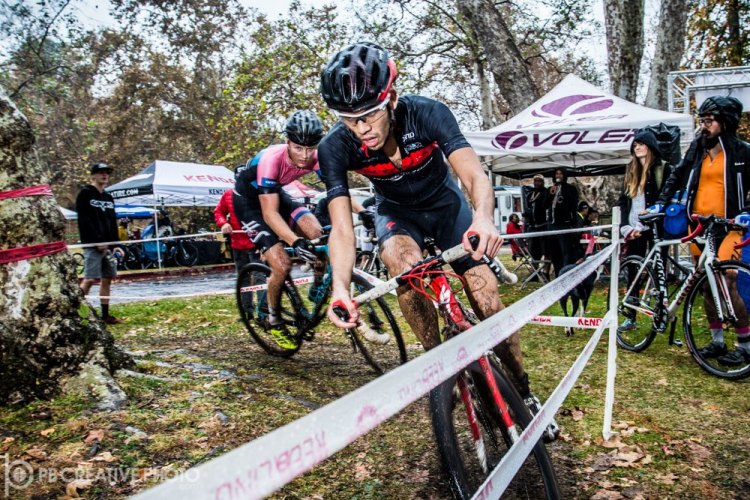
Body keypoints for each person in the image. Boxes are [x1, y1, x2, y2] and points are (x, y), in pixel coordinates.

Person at [318, 41, 557, 440]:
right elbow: (341, 228)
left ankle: (523, 389)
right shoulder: (335, 147)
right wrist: (341, 287)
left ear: (390, 98)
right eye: (348, 119)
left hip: (447, 207)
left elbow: (473, 174)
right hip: (397, 214)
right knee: (399, 261)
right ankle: (437, 365)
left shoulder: (427, 113)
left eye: (369, 115)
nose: (361, 129)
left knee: (486, 298)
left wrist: (483, 218)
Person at [656, 95, 750, 365]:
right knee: (707, 284)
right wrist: (661, 203)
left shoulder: (742, 151)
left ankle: (745, 343)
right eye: (703, 120)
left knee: (728, 280)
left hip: (728, 226)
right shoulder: (698, 148)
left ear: (725, 122)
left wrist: (746, 212)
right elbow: (678, 174)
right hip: (698, 225)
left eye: (709, 121)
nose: (704, 126)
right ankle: (717, 341)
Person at [234, 110, 326, 347]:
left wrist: (362, 211)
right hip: (249, 202)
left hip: (278, 195)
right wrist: (295, 241)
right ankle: (273, 319)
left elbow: (338, 190)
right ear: (287, 142)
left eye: (310, 148)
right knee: (282, 263)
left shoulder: (317, 156)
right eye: (298, 148)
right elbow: (269, 213)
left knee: (319, 235)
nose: (305, 156)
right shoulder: (271, 159)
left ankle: (317, 285)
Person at [76, 162, 122, 325]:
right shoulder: (86, 194)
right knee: (89, 278)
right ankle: (74, 311)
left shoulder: (108, 197)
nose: (104, 175)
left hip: (108, 245)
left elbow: (111, 220)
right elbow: (85, 220)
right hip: (92, 244)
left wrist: (115, 243)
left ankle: (105, 315)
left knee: (107, 277)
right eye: (101, 172)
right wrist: (97, 241)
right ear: (93, 175)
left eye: (107, 173)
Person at [618, 129, 666, 259]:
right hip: (632, 227)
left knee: (658, 263)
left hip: (654, 225)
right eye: (635, 145)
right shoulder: (631, 170)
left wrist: (644, 223)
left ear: (649, 145)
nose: (637, 148)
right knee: (633, 264)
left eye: (641, 144)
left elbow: (664, 198)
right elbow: (623, 201)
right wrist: (624, 226)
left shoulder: (662, 168)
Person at [214, 164, 259, 272]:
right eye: (240, 178)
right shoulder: (228, 194)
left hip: (257, 241)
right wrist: (223, 223)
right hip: (237, 243)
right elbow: (218, 212)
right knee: (243, 277)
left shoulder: (259, 193)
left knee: (260, 275)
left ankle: (264, 289)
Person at [545, 167, 579, 276]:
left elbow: (574, 206)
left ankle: (566, 274)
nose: (558, 176)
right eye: (556, 174)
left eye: (560, 174)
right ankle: (557, 274)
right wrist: (550, 194)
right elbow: (544, 205)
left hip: (564, 224)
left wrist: (573, 223)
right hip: (552, 225)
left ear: (564, 175)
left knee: (566, 252)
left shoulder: (570, 189)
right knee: (555, 253)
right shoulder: (550, 188)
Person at [525, 173, 550, 277]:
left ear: (543, 182)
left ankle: (546, 272)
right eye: (536, 181)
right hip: (532, 227)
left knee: (546, 250)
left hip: (543, 226)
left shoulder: (546, 193)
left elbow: (546, 206)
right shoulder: (530, 194)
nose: (537, 183)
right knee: (534, 252)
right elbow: (527, 208)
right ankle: (535, 273)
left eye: (539, 181)